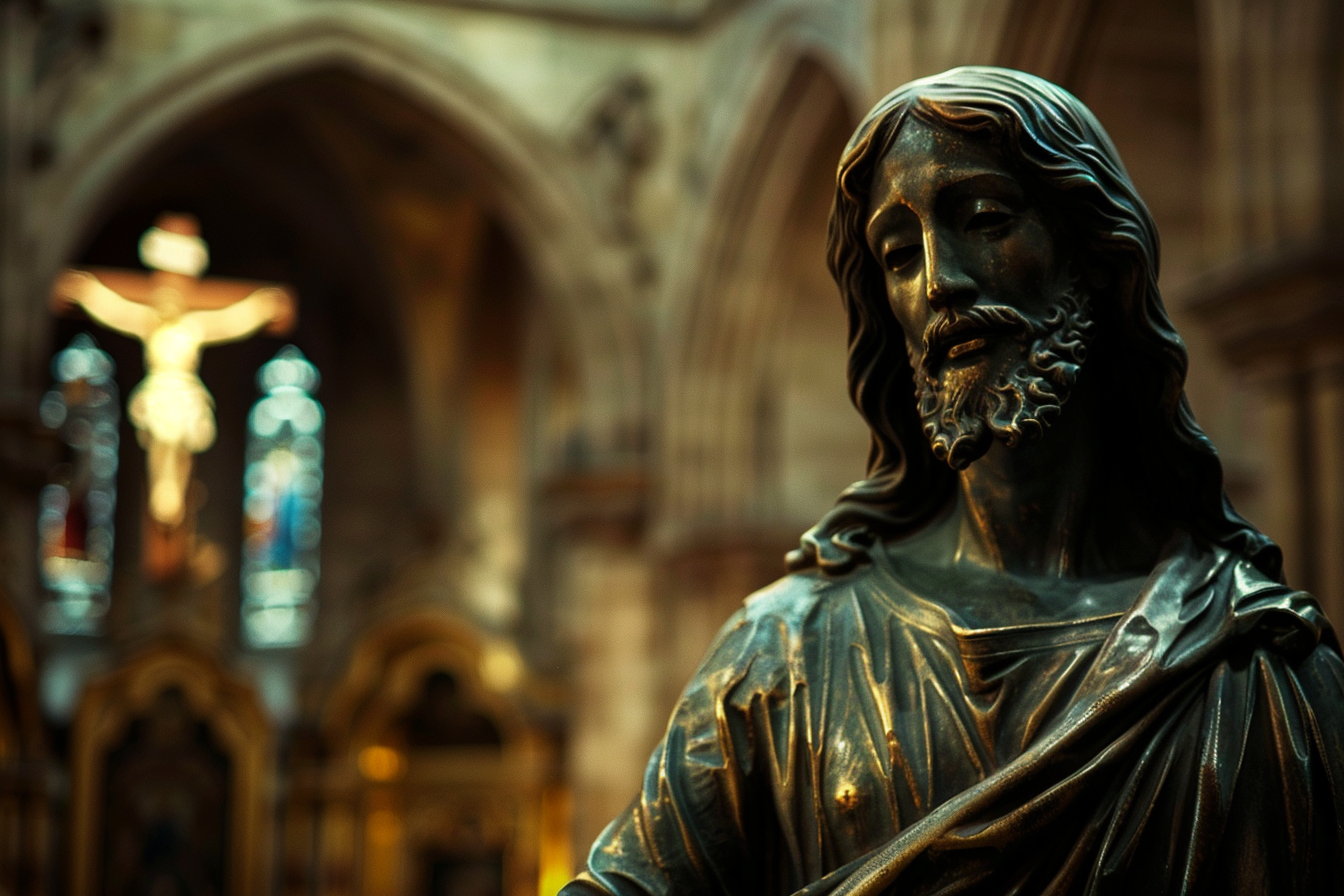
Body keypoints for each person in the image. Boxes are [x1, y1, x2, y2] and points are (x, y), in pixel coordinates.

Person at [562, 67, 1344, 896]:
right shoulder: (785, 650)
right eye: (899, 255)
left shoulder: (1256, 667)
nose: (940, 282)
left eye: (986, 220)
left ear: (1098, 252)